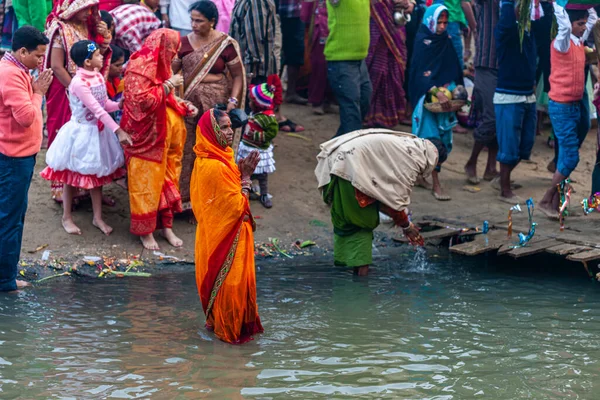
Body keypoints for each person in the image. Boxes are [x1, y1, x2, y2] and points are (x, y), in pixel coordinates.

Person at [41, 40, 131, 235]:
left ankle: (97, 217)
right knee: (70, 177)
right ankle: (67, 217)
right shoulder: (79, 83)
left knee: (96, 176)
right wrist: (118, 130)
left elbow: (104, 103)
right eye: (98, 55)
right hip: (81, 134)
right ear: (88, 62)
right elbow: (97, 110)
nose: (102, 57)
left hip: (97, 133)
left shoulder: (98, 76)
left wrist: (118, 105)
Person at [316, 129, 434, 276]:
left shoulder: (405, 146)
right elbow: (392, 202)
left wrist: (401, 219)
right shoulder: (410, 160)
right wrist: (406, 225)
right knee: (363, 222)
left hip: (339, 162)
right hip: (352, 169)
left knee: (348, 217)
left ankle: (354, 271)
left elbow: (384, 196)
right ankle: (361, 284)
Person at [191, 108, 264, 344]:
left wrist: (238, 172)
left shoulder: (213, 158)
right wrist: (245, 178)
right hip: (227, 238)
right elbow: (235, 207)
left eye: (230, 126)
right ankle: (230, 338)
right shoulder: (216, 165)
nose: (229, 132)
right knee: (231, 286)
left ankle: (220, 329)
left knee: (225, 288)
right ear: (211, 133)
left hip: (215, 236)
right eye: (223, 127)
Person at [121, 29, 198, 250]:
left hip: (166, 137)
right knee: (145, 185)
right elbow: (140, 103)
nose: (174, 57)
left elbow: (169, 97)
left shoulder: (161, 65)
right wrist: (168, 84)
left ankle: (166, 227)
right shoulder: (138, 68)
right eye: (172, 51)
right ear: (163, 49)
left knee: (168, 180)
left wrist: (183, 106)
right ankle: (146, 233)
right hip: (144, 139)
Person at [171, 0, 245, 212]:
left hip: (216, 108)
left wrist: (233, 101)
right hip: (187, 108)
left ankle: (211, 201)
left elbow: (238, 75)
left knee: (212, 152)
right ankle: (184, 202)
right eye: (192, 20)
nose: (194, 25)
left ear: (212, 21)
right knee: (187, 151)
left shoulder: (225, 44)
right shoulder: (183, 43)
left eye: (199, 21)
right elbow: (172, 73)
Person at [0, 26, 52, 292]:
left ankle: (5, 276)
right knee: (10, 219)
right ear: (22, 51)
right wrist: (38, 92)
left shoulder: (17, 69)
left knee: (12, 216)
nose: (41, 61)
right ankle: (6, 282)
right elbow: (26, 118)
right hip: (13, 159)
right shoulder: (10, 75)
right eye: (38, 56)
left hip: (17, 156)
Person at [44, 0, 112, 203]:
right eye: (84, 8)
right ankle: (64, 192)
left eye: (91, 8)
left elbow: (94, 56)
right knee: (68, 138)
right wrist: (77, 91)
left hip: (85, 87)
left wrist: (105, 37)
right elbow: (57, 66)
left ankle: (85, 189)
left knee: (88, 140)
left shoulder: (87, 27)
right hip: (66, 90)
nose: (89, 12)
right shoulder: (59, 29)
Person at [539, 3, 597, 219]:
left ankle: (555, 203)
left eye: (583, 24)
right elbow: (563, 25)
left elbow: (591, 19)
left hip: (574, 106)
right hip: (561, 106)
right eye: (579, 24)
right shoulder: (561, 43)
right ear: (570, 24)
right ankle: (546, 200)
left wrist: (589, 8)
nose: (583, 27)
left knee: (567, 155)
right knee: (570, 158)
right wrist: (558, 4)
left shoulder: (579, 41)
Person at [409, 4, 463, 201]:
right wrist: (433, 90)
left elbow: (453, 71)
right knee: (432, 142)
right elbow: (417, 75)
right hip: (426, 102)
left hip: (444, 104)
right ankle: (436, 185)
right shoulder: (422, 41)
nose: (442, 27)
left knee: (443, 140)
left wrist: (453, 90)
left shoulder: (446, 42)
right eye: (438, 22)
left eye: (445, 23)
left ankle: (419, 177)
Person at [493, 0, 536, 204]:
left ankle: (503, 179)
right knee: (509, 147)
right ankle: (504, 189)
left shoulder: (527, 32)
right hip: (508, 96)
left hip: (528, 95)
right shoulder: (505, 30)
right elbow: (508, 20)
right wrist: (509, 3)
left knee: (525, 145)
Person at [464, 0, 499, 185]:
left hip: (505, 62)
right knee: (490, 116)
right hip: (486, 62)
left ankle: (491, 168)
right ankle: (472, 161)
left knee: (500, 117)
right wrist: (475, 27)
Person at [325, 0, 372, 137]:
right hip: (341, 60)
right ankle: (349, 152)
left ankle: (336, 146)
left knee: (364, 100)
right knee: (351, 111)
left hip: (359, 60)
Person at [364, 0, 414, 128]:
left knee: (395, 68)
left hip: (396, 24)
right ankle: (368, 113)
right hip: (376, 23)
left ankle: (388, 114)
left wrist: (410, 4)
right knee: (375, 69)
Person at [236, 81, 280, 208]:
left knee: (262, 174)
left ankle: (264, 194)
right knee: (245, 170)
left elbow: (272, 133)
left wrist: (254, 134)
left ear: (259, 105)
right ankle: (245, 190)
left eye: (251, 102)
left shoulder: (268, 118)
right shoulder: (255, 113)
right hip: (247, 147)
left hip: (258, 150)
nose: (249, 104)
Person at [300, 0, 333, 115]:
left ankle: (327, 100)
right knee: (320, 65)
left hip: (337, 28)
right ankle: (317, 101)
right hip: (322, 27)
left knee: (333, 66)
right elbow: (305, 12)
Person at [278, 0, 307, 105]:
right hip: (278, 12)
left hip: (297, 12)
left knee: (296, 51)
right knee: (277, 53)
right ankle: (270, 93)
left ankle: (291, 92)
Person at [106, 44, 125, 124]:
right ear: (106, 64)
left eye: (122, 64)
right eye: (117, 65)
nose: (121, 68)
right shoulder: (101, 83)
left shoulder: (119, 79)